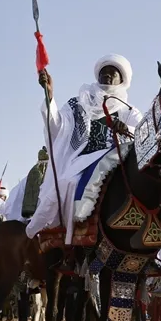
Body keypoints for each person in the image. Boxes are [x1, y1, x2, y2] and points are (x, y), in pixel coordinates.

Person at [25, 54, 143, 243]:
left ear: (121, 80)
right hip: (83, 160)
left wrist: (126, 129)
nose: (107, 76)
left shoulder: (128, 110)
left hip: (116, 160)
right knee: (67, 183)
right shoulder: (79, 103)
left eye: (113, 74)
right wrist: (49, 96)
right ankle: (61, 234)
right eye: (104, 73)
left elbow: (143, 132)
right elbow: (57, 127)